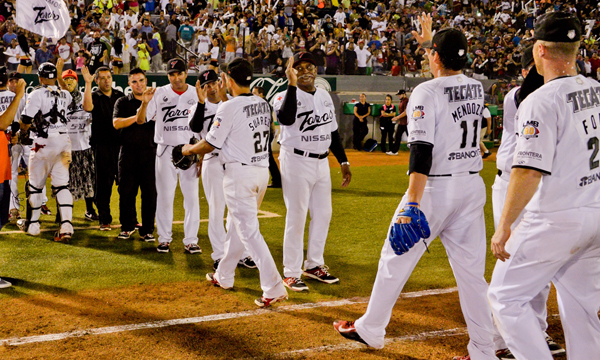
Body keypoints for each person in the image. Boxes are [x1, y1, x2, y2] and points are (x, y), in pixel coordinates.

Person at [334, 15, 496, 360]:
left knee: (395, 256)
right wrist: (430, 45)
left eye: (431, 52)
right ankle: (484, 349)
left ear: (436, 56)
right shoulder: (476, 85)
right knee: (471, 276)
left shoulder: (425, 91)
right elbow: (446, 75)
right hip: (470, 187)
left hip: (435, 190)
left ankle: (372, 329)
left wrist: (412, 201)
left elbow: (421, 151)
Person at [488, 12, 600, 360]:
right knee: (582, 307)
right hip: (595, 209)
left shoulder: (540, 99)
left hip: (555, 216)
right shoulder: (596, 89)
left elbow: (527, 171)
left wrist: (504, 226)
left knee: (504, 297)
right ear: (577, 49)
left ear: (540, 50)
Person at [181, 58, 289, 307]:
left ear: (229, 80)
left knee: (248, 231)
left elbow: (210, 143)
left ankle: (274, 286)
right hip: (261, 171)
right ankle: (224, 274)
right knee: (235, 225)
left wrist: (187, 150)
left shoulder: (228, 107)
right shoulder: (262, 102)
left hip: (240, 174)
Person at [490, 45, 565, 359]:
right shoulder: (517, 96)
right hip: (512, 184)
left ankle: (536, 331)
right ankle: (500, 339)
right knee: (511, 259)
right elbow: (527, 98)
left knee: (538, 261)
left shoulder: (552, 97)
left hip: (538, 184)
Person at [272, 53, 351, 292]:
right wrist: (292, 84)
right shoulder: (283, 96)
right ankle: (291, 272)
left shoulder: (325, 95)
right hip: (296, 160)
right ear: (292, 71)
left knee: (324, 213)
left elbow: (333, 133)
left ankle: (314, 264)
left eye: (310, 67)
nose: (306, 71)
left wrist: (344, 161)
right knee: (296, 216)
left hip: (321, 162)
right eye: (299, 68)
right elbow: (285, 118)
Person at [188, 69, 256, 269]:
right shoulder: (197, 107)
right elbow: (195, 127)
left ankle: (242, 253)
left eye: (214, 82)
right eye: (206, 85)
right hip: (213, 161)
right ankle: (219, 254)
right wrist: (201, 102)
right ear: (200, 88)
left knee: (239, 210)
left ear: (221, 82)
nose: (211, 88)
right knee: (217, 210)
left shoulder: (232, 103)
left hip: (235, 162)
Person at [135, 58, 201, 254]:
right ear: (168, 76)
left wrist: (200, 154)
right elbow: (140, 121)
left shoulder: (195, 93)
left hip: (189, 151)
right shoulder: (159, 93)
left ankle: (191, 240)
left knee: (191, 198)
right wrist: (144, 104)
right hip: (164, 150)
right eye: (172, 74)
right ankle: (164, 239)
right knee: (164, 196)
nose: (176, 77)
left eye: (179, 73)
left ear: (186, 73)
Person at [16, 63, 75, 242]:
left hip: (43, 142)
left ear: (40, 77)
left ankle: (33, 225)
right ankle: (66, 226)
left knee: (35, 186)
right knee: (62, 185)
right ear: (55, 77)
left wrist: (23, 133)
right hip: (64, 142)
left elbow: (26, 119)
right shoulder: (66, 94)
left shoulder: (36, 94)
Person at [112, 68, 157, 242]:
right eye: (134, 81)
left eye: (141, 80)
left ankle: (147, 230)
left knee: (149, 193)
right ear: (129, 84)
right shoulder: (122, 102)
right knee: (126, 191)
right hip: (128, 152)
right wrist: (139, 116)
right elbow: (116, 123)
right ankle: (128, 226)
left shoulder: (155, 101)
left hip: (150, 152)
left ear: (146, 81)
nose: (138, 84)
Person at [83, 66, 124, 229]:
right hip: (102, 147)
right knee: (103, 186)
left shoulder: (120, 96)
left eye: (109, 77)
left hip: (121, 147)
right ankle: (104, 219)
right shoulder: (93, 96)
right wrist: (87, 84)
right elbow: (87, 108)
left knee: (126, 185)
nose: (107, 80)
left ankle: (129, 218)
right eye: (103, 78)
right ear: (97, 80)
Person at [57, 63, 98, 223]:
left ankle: (89, 210)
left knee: (88, 180)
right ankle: (60, 213)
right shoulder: (59, 99)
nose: (68, 82)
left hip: (83, 145)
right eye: (66, 79)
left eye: (71, 79)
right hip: (65, 148)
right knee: (62, 182)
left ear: (76, 81)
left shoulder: (84, 95)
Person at [0, 67, 25, 289]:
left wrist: (12, 135)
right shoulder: (13, 97)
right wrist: (18, 95)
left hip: (3, 165)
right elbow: (2, 122)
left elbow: (7, 127)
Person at [252, 86, 281, 188]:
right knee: (267, 157)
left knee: (267, 158)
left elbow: (269, 121)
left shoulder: (263, 104)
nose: (253, 94)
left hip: (264, 134)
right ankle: (276, 180)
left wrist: (272, 132)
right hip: (265, 133)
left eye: (255, 92)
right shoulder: (263, 103)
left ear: (261, 94)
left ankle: (277, 180)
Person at [388, 89, 408, 155]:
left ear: (404, 94)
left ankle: (416, 151)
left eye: (400, 94)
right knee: (397, 136)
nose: (399, 96)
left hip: (407, 123)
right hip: (402, 122)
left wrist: (397, 117)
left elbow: (406, 112)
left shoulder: (406, 101)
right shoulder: (401, 101)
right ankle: (394, 151)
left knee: (411, 137)